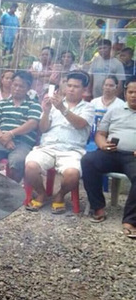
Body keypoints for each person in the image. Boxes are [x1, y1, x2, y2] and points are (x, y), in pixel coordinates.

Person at [24, 71, 94, 213]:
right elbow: (43, 129)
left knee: (73, 174)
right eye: (69, 85)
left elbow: (80, 124)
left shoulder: (88, 107)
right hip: (48, 147)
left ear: (84, 89)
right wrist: (46, 111)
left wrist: (62, 108)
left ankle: (60, 195)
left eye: (76, 86)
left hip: (72, 150)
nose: (71, 89)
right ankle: (42, 193)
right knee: (30, 166)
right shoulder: (53, 103)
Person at [81, 77, 136, 238]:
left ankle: (130, 221)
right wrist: (103, 145)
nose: (134, 95)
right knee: (88, 161)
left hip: (133, 157)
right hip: (111, 152)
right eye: (131, 92)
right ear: (126, 93)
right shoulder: (115, 110)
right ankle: (97, 207)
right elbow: (100, 133)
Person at [0, 71, 42, 182]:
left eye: (21, 86)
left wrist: (11, 134)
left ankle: (11, 190)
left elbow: (32, 123)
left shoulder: (34, 104)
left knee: (17, 161)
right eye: (15, 85)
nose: (17, 88)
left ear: (28, 88)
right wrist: (3, 138)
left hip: (23, 143)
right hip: (0, 140)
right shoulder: (2, 103)